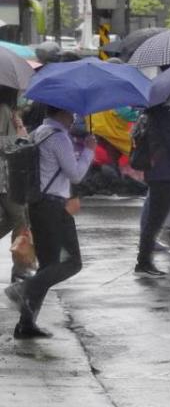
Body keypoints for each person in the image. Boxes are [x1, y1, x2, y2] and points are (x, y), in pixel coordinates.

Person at [3, 105, 95, 339]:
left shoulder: (39, 132)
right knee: (73, 262)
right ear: (61, 113)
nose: (74, 117)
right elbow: (75, 174)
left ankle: (26, 323)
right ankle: (23, 289)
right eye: (71, 113)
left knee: (48, 265)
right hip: (54, 207)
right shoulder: (59, 137)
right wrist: (88, 151)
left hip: (37, 205)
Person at [135, 105, 170, 276]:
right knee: (155, 219)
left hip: (164, 171)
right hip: (164, 172)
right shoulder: (168, 114)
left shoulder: (160, 112)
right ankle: (143, 262)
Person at [0, 87, 29, 281]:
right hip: (4, 176)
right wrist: (20, 136)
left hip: (7, 175)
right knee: (19, 218)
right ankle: (19, 269)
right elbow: (5, 143)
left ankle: (20, 268)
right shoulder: (2, 109)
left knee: (16, 218)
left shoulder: (8, 111)